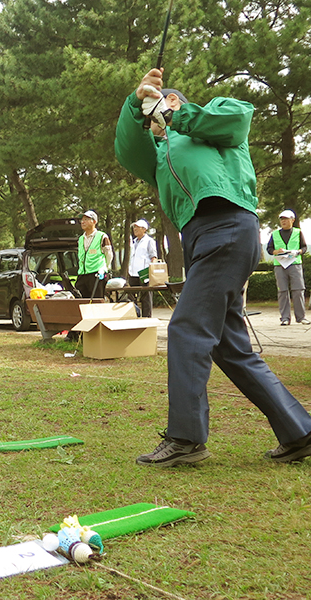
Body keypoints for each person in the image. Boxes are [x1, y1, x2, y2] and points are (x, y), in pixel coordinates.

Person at [115, 68, 311, 465]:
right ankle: (300, 432)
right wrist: (136, 104)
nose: (159, 119)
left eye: (165, 105)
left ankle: (186, 439)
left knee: (186, 329)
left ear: (180, 103)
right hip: (202, 239)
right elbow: (127, 149)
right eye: (154, 117)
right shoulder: (161, 152)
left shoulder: (213, 119)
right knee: (229, 346)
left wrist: (173, 114)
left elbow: (236, 122)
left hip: (229, 227)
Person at [266, 210, 308, 326]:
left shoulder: (298, 232)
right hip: (280, 265)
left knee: (298, 290)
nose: (283, 221)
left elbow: (304, 247)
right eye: (281, 219)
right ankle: (284, 318)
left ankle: (301, 317)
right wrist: (276, 251)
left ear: (292, 220)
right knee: (282, 291)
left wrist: (298, 252)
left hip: (295, 264)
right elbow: (269, 249)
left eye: (286, 219)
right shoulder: (274, 234)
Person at [75, 210, 113, 300]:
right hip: (82, 274)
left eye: (86, 219)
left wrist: (105, 268)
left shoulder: (102, 236)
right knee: (80, 300)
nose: (83, 222)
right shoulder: (80, 239)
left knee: (97, 301)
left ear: (94, 222)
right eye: (82, 220)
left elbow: (109, 254)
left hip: (96, 275)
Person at [127, 219, 159, 317]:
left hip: (144, 273)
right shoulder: (133, 241)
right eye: (134, 227)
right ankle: (134, 316)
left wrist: (151, 272)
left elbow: (153, 257)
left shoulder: (149, 241)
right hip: (133, 273)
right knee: (131, 296)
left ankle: (147, 318)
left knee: (146, 297)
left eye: (137, 227)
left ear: (144, 229)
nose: (135, 229)